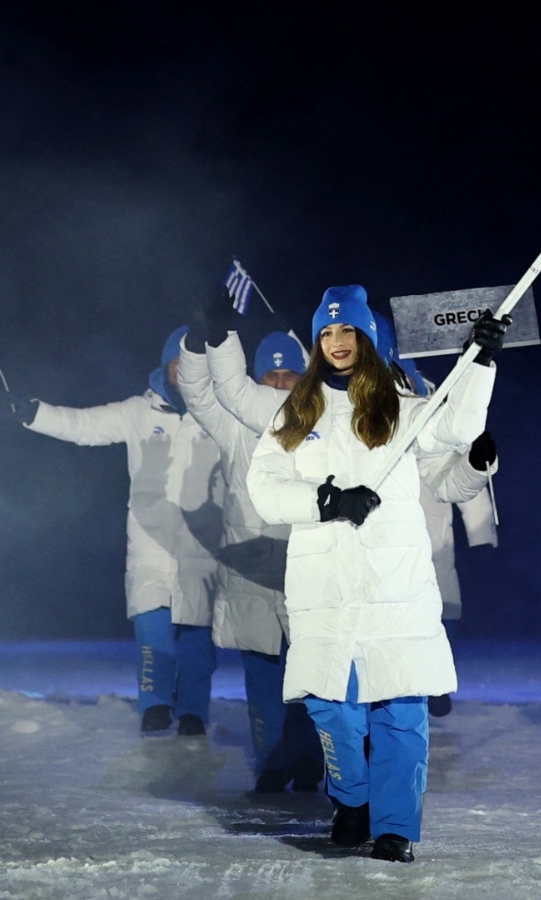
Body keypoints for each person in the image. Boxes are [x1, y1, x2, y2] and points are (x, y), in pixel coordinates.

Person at [246, 285, 507, 862]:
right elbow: (262, 489)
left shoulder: (403, 408)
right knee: (328, 703)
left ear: (368, 338)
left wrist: (482, 361)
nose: (338, 343)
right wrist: (327, 502)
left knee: (400, 708)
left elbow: (458, 429)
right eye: (327, 333)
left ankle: (396, 828)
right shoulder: (297, 411)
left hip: (395, 582)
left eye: (348, 331)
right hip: (325, 585)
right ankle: (354, 799)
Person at [11, 327, 223, 736]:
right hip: (149, 546)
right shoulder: (137, 412)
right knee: (152, 628)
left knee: (197, 636)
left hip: (202, 546)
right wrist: (36, 414)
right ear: (167, 367)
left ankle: (194, 709)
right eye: (179, 365)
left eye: (196, 366)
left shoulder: (221, 414)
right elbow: (85, 425)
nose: (186, 373)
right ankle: (156, 704)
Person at [177, 294, 324, 792]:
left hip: (308, 563)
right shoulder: (236, 427)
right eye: (271, 377)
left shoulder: (321, 424)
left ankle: (308, 759)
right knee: (263, 675)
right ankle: (272, 763)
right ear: (256, 380)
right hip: (250, 568)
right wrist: (203, 343)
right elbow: (199, 395)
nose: (281, 386)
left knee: (309, 674)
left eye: (290, 377)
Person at [372, 311, 499, 718]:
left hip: (429, 524)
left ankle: (432, 681)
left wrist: (481, 532)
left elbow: (457, 452)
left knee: (440, 607)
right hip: (370, 542)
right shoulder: (331, 401)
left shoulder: (427, 396)